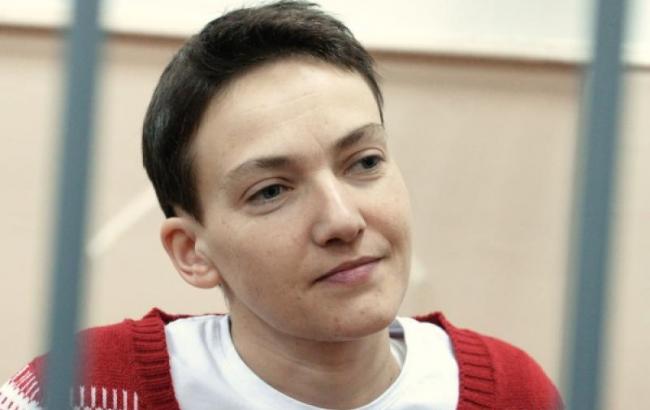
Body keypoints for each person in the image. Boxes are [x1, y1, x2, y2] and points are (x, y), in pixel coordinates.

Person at [0, 1, 563, 409]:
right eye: (271, 191)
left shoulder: (515, 393)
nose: (342, 220)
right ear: (192, 251)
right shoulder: (86, 389)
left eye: (365, 162)